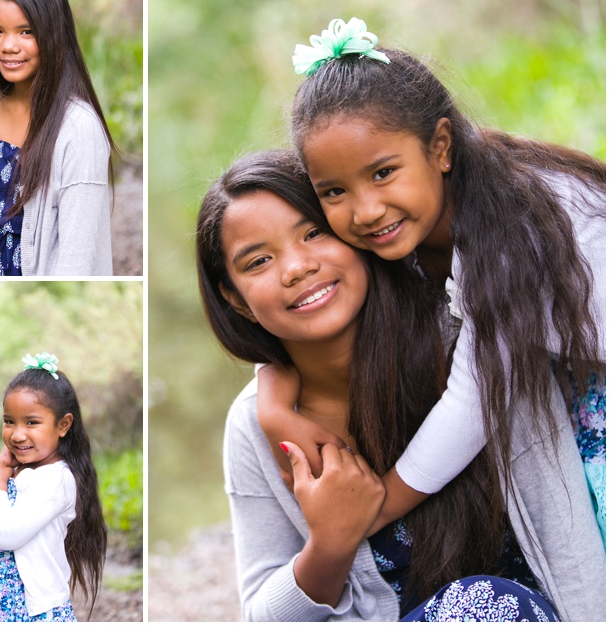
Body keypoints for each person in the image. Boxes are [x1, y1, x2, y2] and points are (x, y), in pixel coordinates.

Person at [196, 150, 603, 621]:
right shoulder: (253, 425)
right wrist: (330, 544)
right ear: (236, 299)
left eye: (314, 233)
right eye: (259, 261)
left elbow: (566, 520)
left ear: (354, 234)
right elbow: (262, 614)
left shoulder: (470, 343)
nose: (296, 267)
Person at [258, 17, 606, 544]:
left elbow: (472, 401)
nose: (366, 210)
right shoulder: (418, 235)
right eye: (333, 192)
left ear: (440, 146)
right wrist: (271, 396)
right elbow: (322, 320)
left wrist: (371, 514)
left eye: (382, 173)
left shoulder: (514, 228)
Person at [0, 0, 115, 276]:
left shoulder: (79, 129)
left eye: (26, 32)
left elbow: (77, 257)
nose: (8, 46)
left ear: (53, 36)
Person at [0, 353, 108, 621]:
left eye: (32, 422)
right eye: (9, 421)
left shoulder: (57, 479)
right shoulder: (18, 470)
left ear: (63, 425)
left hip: (33, 611)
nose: (17, 434)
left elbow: (5, 537)